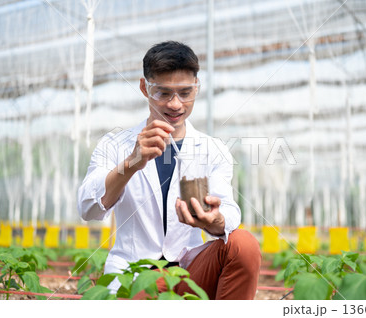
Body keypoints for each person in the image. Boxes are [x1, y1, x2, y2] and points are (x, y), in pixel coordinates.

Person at [77, 41, 261, 300]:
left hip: (190, 273)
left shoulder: (213, 149)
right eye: (163, 93)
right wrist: (130, 165)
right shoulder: (115, 145)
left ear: (197, 88)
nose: (176, 104)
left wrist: (215, 221)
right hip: (136, 273)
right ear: (145, 88)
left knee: (244, 244)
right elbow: (88, 208)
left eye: (185, 93)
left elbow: (228, 210)